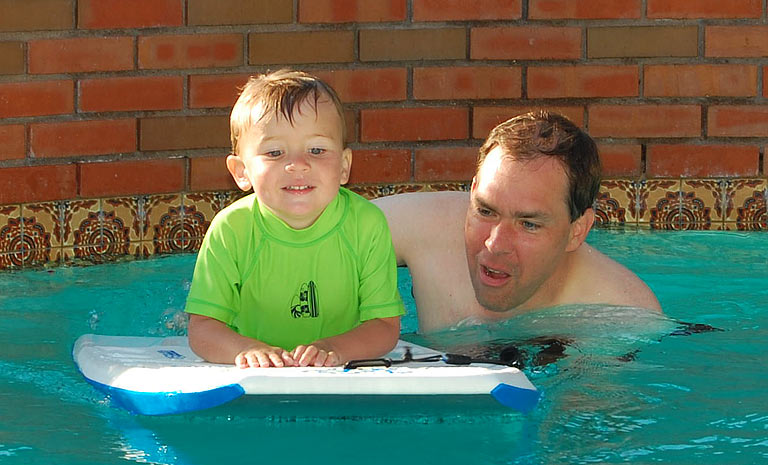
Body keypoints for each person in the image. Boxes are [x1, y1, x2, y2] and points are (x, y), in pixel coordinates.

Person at [185, 69, 404, 368]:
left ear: (344, 166)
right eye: (275, 152)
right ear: (241, 171)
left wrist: (334, 348)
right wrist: (247, 350)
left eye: (317, 149)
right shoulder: (231, 230)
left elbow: (385, 326)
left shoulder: (366, 225)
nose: (298, 164)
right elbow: (203, 329)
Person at [374, 111, 661, 333]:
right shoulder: (424, 225)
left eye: (528, 224)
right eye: (486, 211)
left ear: (578, 231)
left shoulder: (621, 313)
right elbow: (330, 230)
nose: (495, 244)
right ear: (473, 192)